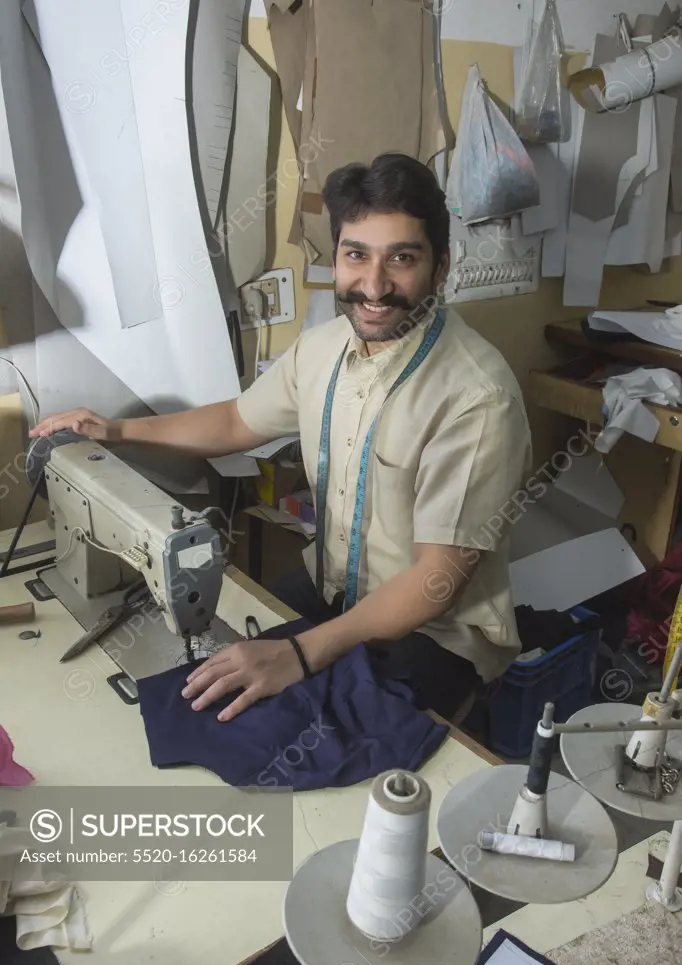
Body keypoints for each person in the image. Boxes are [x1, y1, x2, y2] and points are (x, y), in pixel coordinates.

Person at [30, 153, 532, 723]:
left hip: (434, 634)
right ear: (337, 258)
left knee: (296, 746)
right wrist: (115, 429)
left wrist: (296, 653)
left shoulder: (476, 397)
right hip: (336, 591)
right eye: (356, 255)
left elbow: (434, 581)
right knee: (196, 690)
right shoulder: (325, 349)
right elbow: (235, 423)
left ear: (440, 267)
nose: (373, 285)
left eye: (402, 259)